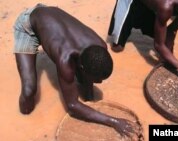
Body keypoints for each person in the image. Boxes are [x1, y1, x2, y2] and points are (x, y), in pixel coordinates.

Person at [14, 4, 139, 137]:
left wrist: (90, 101)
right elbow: (72, 106)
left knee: (86, 81)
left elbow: (88, 74)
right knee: (29, 90)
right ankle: (23, 125)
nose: (100, 83)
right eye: (97, 79)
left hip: (50, 17)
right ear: (82, 67)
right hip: (29, 24)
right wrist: (113, 121)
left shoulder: (100, 47)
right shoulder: (64, 59)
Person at [108, 0, 178, 93]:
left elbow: (172, 30)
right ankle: (130, 18)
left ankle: (142, 14)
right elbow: (158, 45)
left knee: (162, 37)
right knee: (117, 48)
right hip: (129, 2)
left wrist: (171, 61)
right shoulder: (166, 7)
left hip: (152, 5)